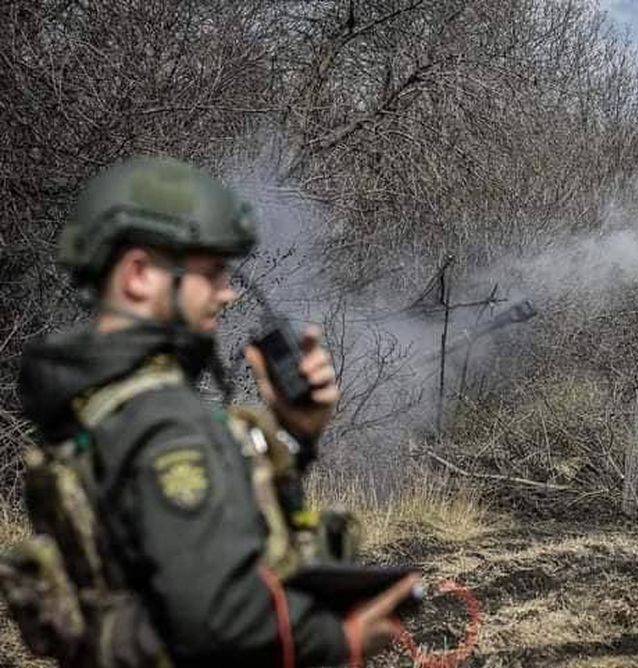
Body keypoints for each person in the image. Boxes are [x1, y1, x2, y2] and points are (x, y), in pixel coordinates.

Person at [10, 156, 417, 666]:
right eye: (211, 272)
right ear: (139, 275)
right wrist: (343, 637)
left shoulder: (87, 404)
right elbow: (220, 618)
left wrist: (295, 437)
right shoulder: (165, 421)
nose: (227, 293)